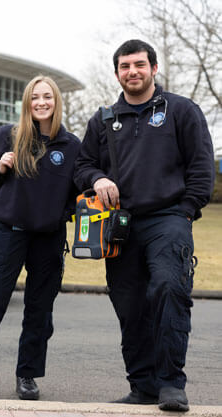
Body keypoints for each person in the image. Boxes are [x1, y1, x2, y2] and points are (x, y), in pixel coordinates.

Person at [73, 39, 215, 412]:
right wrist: (96, 179)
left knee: (170, 290)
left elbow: (201, 168)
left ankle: (171, 384)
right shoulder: (104, 119)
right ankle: (143, 386)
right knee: (129, 303)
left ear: (153, 68)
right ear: (117, 72)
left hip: (169, 219)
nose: (132, 72)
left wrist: (186, 210)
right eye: (124, 66)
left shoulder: (182, 111)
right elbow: (82, 166)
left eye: (139, 64)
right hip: (119, 226)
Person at [0, 75, 80, 400]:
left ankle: (27, 376)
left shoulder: (71, 146)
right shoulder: (8, 136)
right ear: (27, 102)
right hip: (7, 234)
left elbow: (78, 189)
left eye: (48, 97)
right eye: (35, 97)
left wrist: (61, 213)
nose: (41, 102)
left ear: (56, 102)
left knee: (39, 312)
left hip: (48, 239)